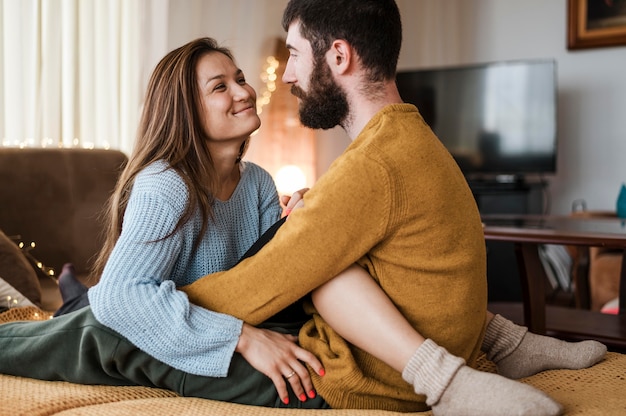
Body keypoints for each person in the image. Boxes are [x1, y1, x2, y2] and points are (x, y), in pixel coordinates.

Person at [0, 3, 605, 416]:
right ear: (187, 111)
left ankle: (495, 341)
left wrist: (300, 231)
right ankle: (53, 304)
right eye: (222, 86)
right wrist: (243, 336)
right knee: (75, 326)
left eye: (261, 68)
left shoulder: (262, 182)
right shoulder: (166, 187)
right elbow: (126, 299)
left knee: (330, 250)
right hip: (147, 316)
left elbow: (290, 277)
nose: (263, 83)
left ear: (337, 57)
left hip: (198, 315)